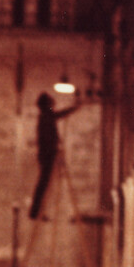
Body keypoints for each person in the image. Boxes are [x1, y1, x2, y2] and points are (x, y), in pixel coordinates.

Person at [29, 91, 82, 219]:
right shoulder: (46, 116)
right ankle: (35, 212)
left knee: (43, 183)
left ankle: (36, 211)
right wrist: (75, 106)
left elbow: (59, 115)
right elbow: (60, 115)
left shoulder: (45, 116)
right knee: (43, 183)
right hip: (48, 154)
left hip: (46, 154)